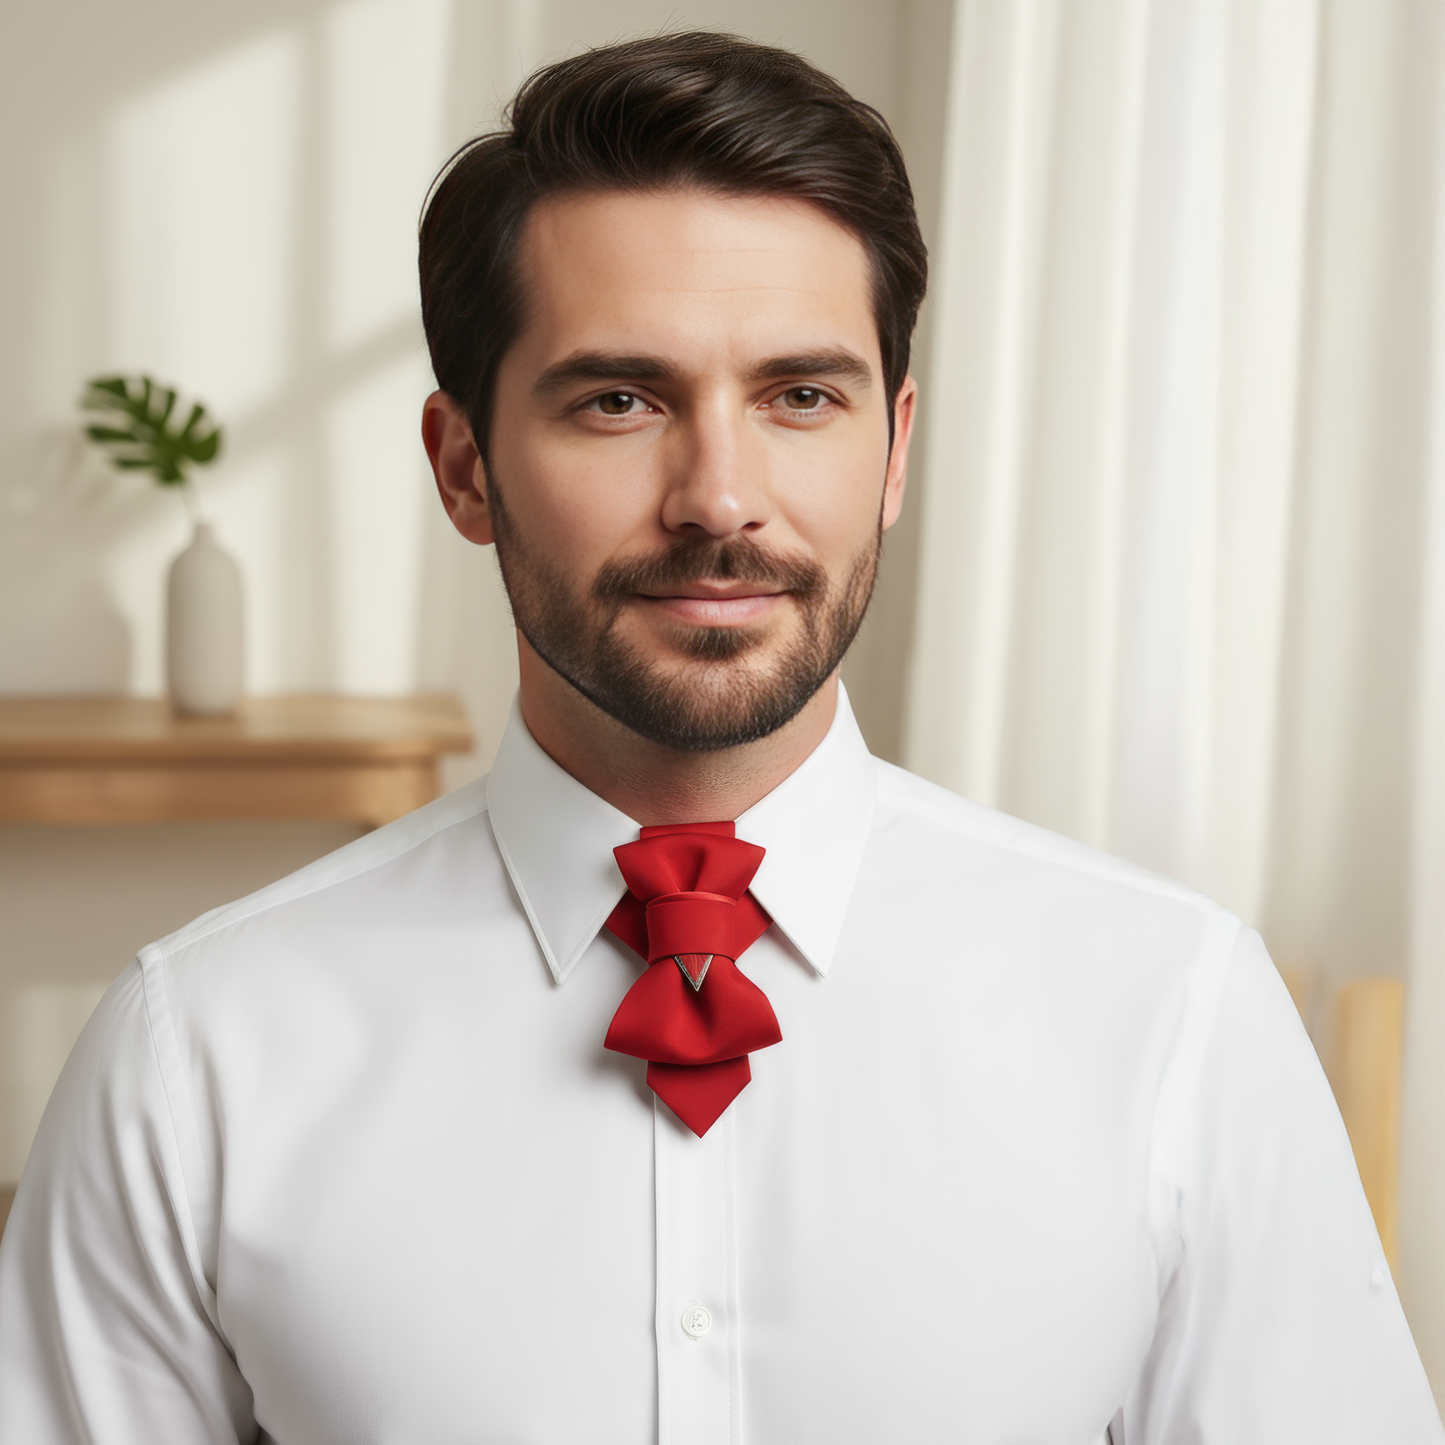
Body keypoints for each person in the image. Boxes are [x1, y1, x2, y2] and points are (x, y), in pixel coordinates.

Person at [0, 30, 1438, 1444]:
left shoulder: (1172, 1014)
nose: (720, 498)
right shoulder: (195, 1056)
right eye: (619, 400)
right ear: (464, 467)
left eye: (801, 395)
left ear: (894, 451)